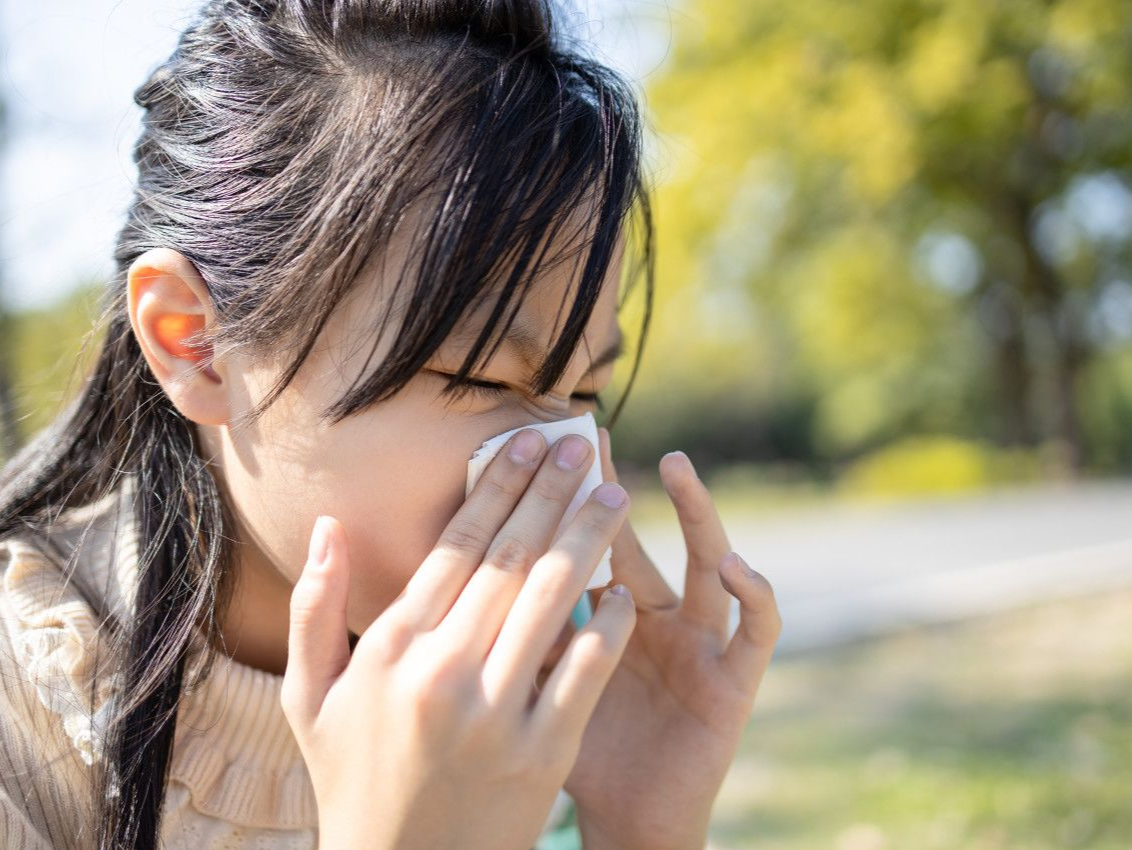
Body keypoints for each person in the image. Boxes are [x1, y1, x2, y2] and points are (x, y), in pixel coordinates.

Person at [0, 0, 783, 848]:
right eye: (484, 375)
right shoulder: (25, 723)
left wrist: (640, 824)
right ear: (195, 342)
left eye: (585, 395)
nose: (572, 477)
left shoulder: (513, 701)